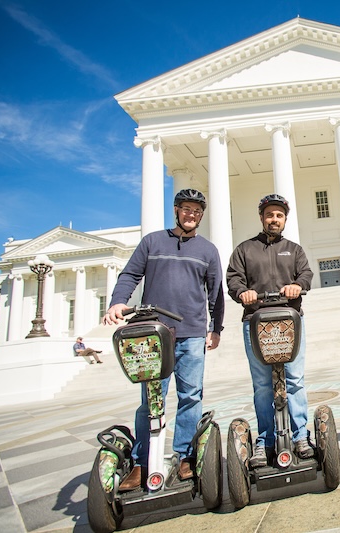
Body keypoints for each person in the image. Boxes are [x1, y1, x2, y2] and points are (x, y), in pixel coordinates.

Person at [103, 188, 225, 490]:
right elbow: (130, 275)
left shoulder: (208, 250)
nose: (191, 215)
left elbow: (216, 293)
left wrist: (216, 328)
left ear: (201, 215)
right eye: (186, 209)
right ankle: (142, 461)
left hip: (192, 333)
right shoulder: (152, 242)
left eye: (197, 211)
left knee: (191, 396)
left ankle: (185, 456)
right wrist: (118, 302)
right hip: (153, 334)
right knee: (150, 400)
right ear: (176, 210)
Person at [226, 194, 314, 467]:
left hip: (289, 320)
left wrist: (298, 286)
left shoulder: (294, 249)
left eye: (279, 215)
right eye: (269, 215)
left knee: (295, 380)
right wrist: (243, 292)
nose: (274, 219)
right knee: (263, 384)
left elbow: (306, 274)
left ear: (285, 219)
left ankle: (300, 436)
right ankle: (265, 440)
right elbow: (233, 279)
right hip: (256, 320)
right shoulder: (245, 249)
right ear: (262, 217)